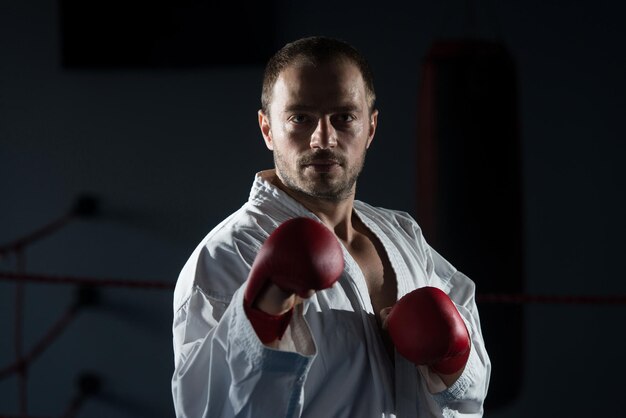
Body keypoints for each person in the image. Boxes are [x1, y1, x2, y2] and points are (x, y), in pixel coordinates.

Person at [171, 36, 490, 417]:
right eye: (300, 118)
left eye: (344, 117)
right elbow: (206, 409)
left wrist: (453, 359)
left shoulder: (403, 234)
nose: (323, 140)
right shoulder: (229, 253)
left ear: (370, 128)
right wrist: (263, 316)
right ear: (268, 128)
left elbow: (469, 398)